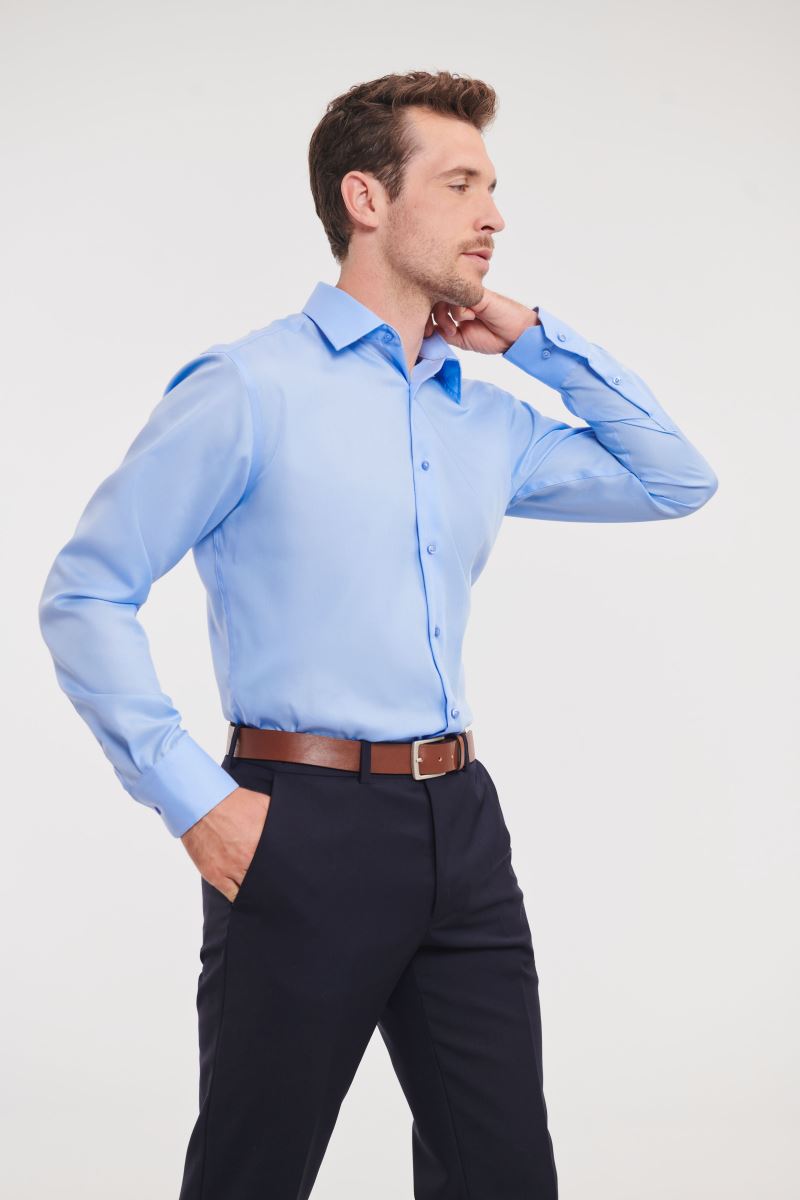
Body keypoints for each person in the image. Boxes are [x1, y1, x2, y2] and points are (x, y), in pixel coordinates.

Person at [38, 69, 718, 1200]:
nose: (492, 215)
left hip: (462, 823)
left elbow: (673, 480)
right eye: (459, 184)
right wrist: (194, 800)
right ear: (366, 198)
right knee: (254, 1174)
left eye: (491, 187)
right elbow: (86, 592)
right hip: (298, 823)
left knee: (504, 1174)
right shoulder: (248, 388)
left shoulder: (482, 417)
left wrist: (530, 338)